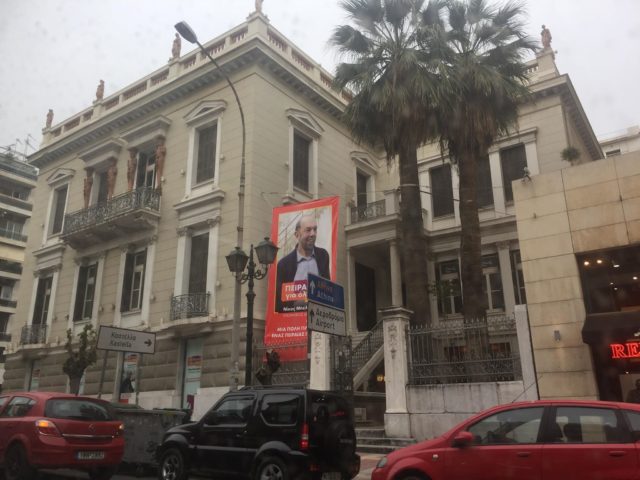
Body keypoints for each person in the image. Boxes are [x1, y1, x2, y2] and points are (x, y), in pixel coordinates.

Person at [275, 214, 330, 312]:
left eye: (315, 229)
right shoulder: (283, 265)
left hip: (318, 318)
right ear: (297, 235)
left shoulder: (323, 256)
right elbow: (280, 302)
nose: (313, 234)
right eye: (308, 230)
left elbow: (328, 291)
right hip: (293, 319)